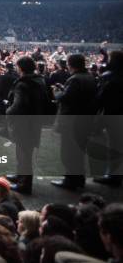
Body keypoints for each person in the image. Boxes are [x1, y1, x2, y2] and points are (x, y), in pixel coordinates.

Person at [51, 54, 97, 190]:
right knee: (79, 152)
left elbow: (66, 98)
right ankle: (79, 179)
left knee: (68, 152)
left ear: (70, 65)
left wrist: (56, 92)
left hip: (72, 122)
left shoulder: (75, 79)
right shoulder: (90, 77)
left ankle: (70, 180)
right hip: (85, 120)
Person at [5, 56, 50, 194]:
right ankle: (20, 176)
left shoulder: (23, 84)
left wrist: (8, 111)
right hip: (34, 121)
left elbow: (18, 105)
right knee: (24, 151)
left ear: (21, 67)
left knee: (24, 153)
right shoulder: (39, 81)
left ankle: (24, 184)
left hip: (24, 123)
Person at [94, 50, 123, 186]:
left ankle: (113, 176)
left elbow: (100, 98)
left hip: (113, 115)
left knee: (114, 146)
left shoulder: (109, 76)